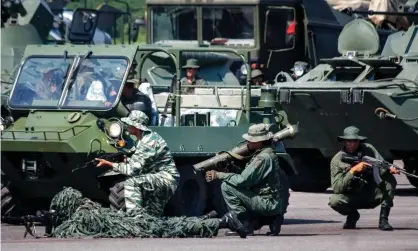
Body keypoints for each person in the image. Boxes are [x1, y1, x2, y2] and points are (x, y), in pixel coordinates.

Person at [204, 123, 289, 238]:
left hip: (268, 203)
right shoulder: (266, 153)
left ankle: (244, 225)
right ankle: (270, 218)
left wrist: (219, 175)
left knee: (226, 186)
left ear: (259, 142)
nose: (248, 143)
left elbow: (243, 180)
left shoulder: (263, 158)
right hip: (271, 201)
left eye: (251, 140)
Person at [95, 110, 180, 216]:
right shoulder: (142, 139)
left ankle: (135, 218)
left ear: (136, 126)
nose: (127, 126)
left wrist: (110, 164)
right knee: (152, 216)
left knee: (132, 182)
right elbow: (140, 161)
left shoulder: (148, 142)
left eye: (129, 124)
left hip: (166, 179)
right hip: (159, 177)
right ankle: (143, 225)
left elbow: (132, 170)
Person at [328, 126, 400, 231]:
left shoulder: (368, 149)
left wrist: (389, 169)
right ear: (344, 141)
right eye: (348, 141)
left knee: (390, 180)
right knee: (334, 201)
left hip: (371, 194)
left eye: (354, 141)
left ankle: (383, 220)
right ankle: (353, 215)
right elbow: (337, 188)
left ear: (359, 141)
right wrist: (353, 171)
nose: (351, 144)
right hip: (352, 196)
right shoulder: (337, 160)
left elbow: (380, 165)